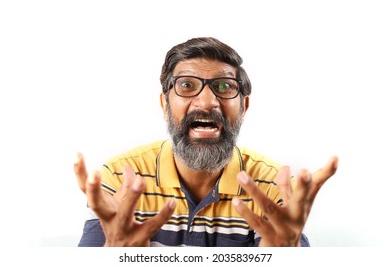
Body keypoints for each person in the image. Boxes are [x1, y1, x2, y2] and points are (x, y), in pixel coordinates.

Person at [73, 37, 338, 247]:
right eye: (187, 85)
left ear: (243, 107)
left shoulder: (272, 187)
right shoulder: (120, 180)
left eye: (224, 87)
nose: (207, 102)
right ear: (165, 104)